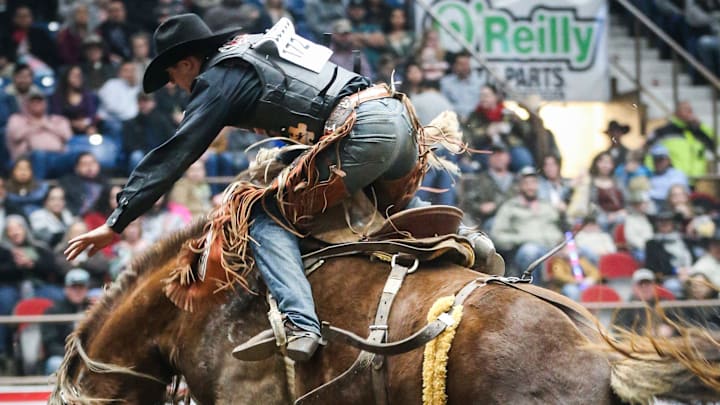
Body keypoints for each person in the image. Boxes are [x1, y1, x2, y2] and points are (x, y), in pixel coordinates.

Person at [64, 14, 480, 362]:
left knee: (263, 217)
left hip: (363, 134)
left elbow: (178, 151)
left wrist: (117, 222)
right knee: (370, 205)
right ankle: (467, 241)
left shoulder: (219, 77)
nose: (175, 84)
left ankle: (301, 323)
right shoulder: (258, 47)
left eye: (172, 74)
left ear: (188, 62)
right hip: (399, 122)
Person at [41, 268, 91, 375]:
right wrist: (72, 354)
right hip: (62, 355)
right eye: (74, 287)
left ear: (87, 289)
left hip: (90, 355)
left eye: (81, 287)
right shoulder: (53, 311)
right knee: (55, 363)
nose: (77, 291)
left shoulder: (94, 309)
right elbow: (50, 344)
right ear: (66, 289)